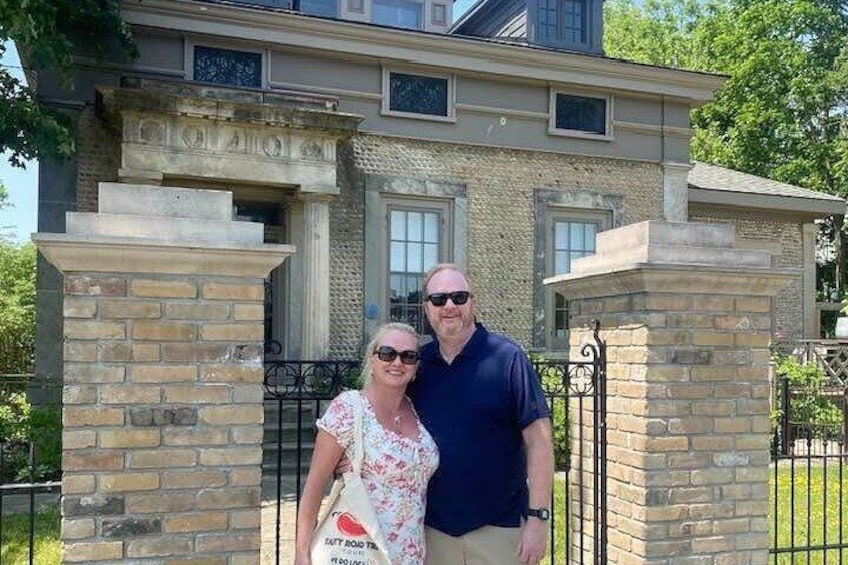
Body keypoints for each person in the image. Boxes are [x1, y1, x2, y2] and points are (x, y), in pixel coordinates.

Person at [408, 263, 554, 565]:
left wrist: (538, 520)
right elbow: (384, 424)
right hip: (431, 533)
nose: (449, 306)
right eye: (438, 299)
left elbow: (540, 442)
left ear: (472, 302)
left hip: (500, 532)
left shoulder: (507, 358)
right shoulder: (416, 366)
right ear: (427, 308)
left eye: (459, 297)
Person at [294, 322, 440, 565]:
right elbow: (314, 485)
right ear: (372, 360)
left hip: (409, 555)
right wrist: (301, 552)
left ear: (415, 369)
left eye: (408, 356)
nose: (397, 362)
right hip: (357, 552)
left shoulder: (416, 411)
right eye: (387, 353)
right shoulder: (349, 409)